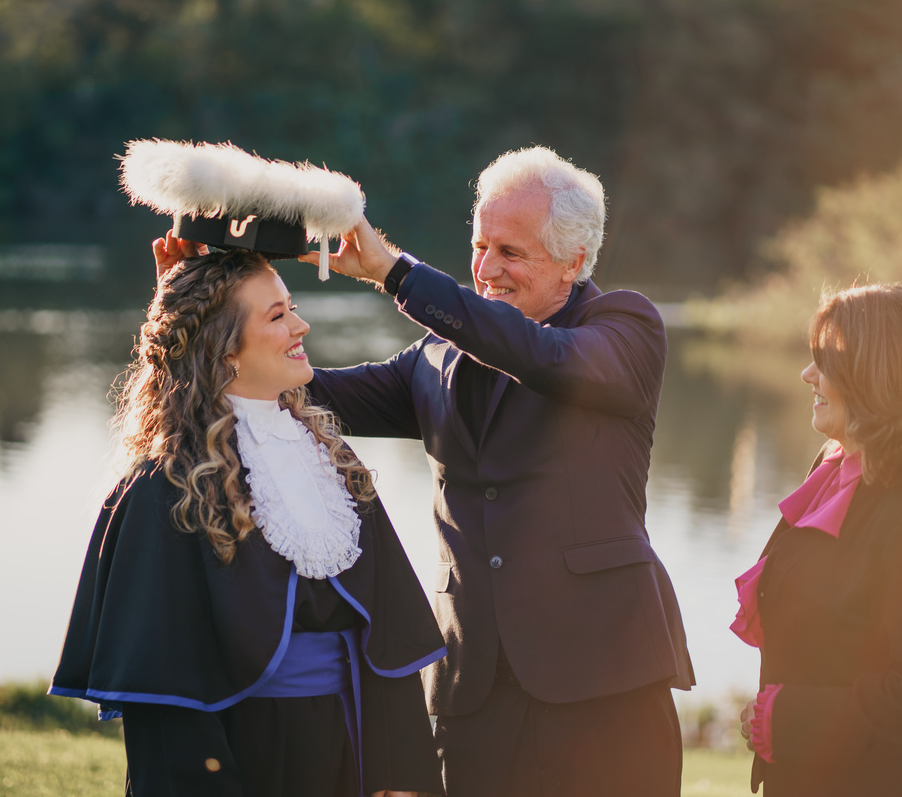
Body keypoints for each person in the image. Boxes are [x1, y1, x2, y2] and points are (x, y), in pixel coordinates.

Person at [294, 146, 694, 796]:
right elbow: (305, 396)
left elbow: (539, 355)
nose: (485, 268)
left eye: (511, 252)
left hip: (605, 681)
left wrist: (395, 272)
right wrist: (215, 300)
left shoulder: (624, 328)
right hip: (475, 691)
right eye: (480, 246)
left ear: (573, 262)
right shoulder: (434, 357)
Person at [50, 245, 447, 797]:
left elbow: (382, 641)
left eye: (292, 307)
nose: (301, 326)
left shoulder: (332, 461)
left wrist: (398, 771)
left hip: (353, 742)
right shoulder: (164, 486)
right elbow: (164, 693)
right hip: (243, 751)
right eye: (278, 315)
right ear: (226, 350)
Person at [730, 284, 902, 796]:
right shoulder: (838, 471)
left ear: (881, 374)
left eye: (826, 362)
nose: (807, 375)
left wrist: (785, 719)